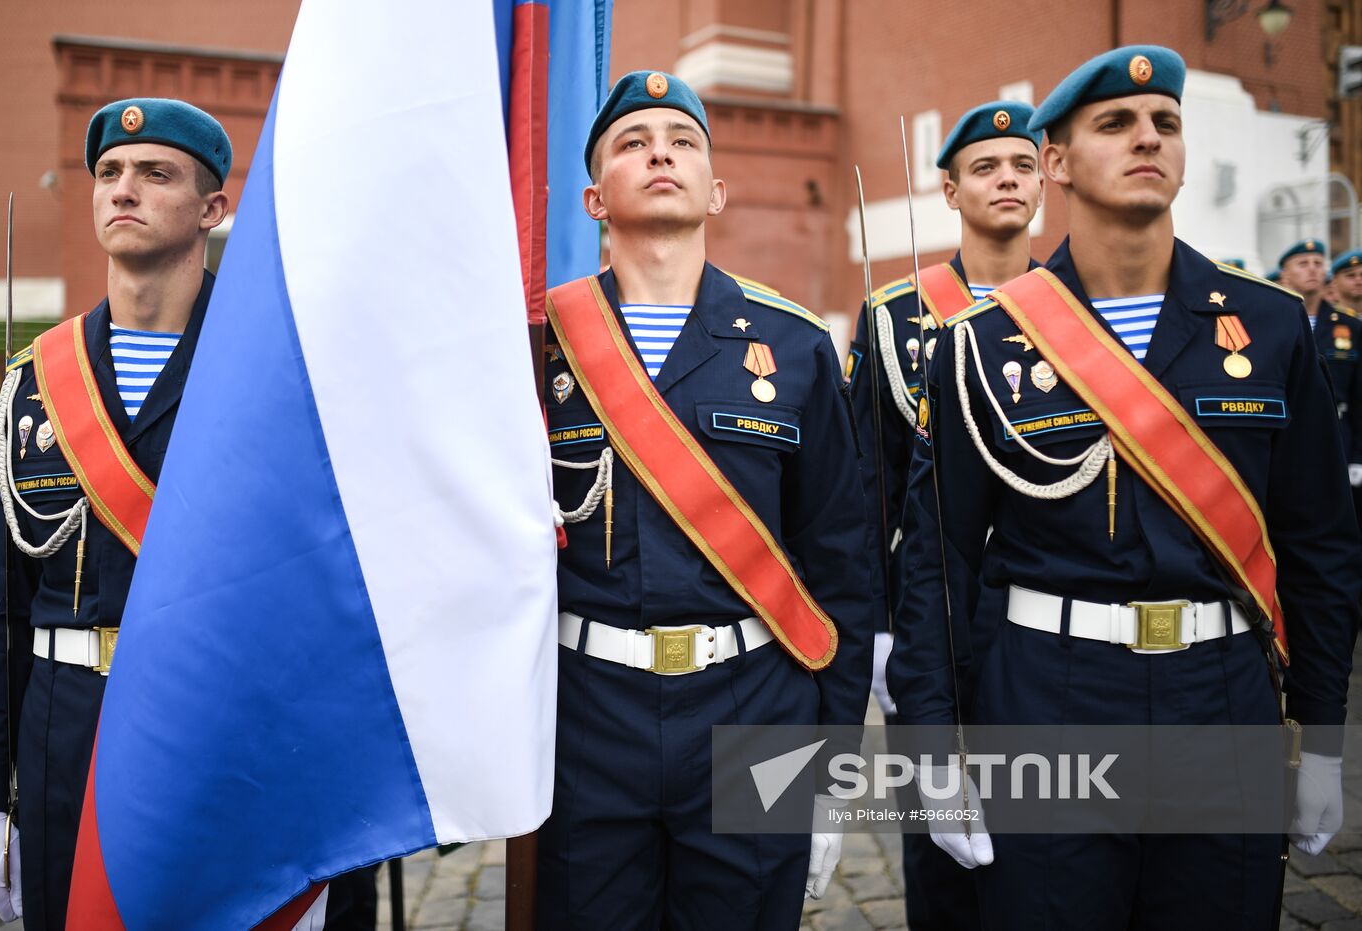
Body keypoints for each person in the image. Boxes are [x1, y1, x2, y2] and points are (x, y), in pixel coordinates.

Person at [892, 45, 1360, 929]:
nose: (1148, 136)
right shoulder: (983, 344)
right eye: (1116, 124)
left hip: (1221, 696)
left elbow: (1318, 544)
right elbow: (937, 559)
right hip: (1045, 697)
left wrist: (1323, 738)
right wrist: (933, 744)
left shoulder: (1264, 327)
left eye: (1166, 123)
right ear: (1058, 164)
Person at [536, 70, 873, 929]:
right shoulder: (536, 347)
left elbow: (840, 559)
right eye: (633, 142)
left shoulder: (792, 346)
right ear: (593, 197)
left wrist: (830, 772)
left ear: (715, 189)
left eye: (683, 142)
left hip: (753, 705)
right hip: (587, 710)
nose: (660, 153)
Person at [0, 97, 231, 930]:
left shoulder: (261, 365)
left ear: (213, 208)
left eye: (157, 173)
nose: (125, 189)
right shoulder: (38, 378)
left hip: (214, 724)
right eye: (109, 172)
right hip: (62, 732)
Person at [848, 99, 1043, 931]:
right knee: (943, 859)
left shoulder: (1083, 310)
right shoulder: (895, 317)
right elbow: (865, 490)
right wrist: (881, 632)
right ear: (950, 189)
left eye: (1023, 164)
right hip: (935, 628)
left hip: (1046, 625)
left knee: (1050, 844)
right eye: (987, 167)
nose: (1008, 179)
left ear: (1047, 179)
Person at [1277, 240, 1362, 508]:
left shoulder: (1350, 326)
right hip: (1286, 436)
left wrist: (1358, 455)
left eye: (1317, 263)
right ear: (1285, 275)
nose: (1313, 270)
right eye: (1303, 264)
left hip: (1339, 437)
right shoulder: (1269, 321)